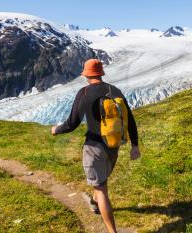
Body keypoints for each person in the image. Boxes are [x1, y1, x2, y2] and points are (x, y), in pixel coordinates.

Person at [51, 59, 140, 233]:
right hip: (113, 146)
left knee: (101, 190)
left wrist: (56, 130)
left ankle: (111, 231)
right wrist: (135, 145)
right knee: (100, 183)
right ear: (100, 72)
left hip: (94, 147)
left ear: (86, 74)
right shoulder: (115, 91)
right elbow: (130, 120)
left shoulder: (84, 92)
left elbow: (72, 123)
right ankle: (93, 203)